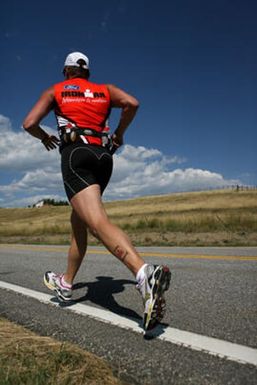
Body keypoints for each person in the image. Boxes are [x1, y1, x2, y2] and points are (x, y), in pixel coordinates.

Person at [23, 51, 171, 331]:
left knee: (97, 221)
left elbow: (29, 123)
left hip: (75, 154)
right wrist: (119, 134)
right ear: (87, 73)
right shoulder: (106, 90)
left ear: (66, 72)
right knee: (79, 220)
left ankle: (143, 274)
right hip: (103, 158)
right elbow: (132, 104)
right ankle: (66, 283)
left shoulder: (56, 90)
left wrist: (44, 137)